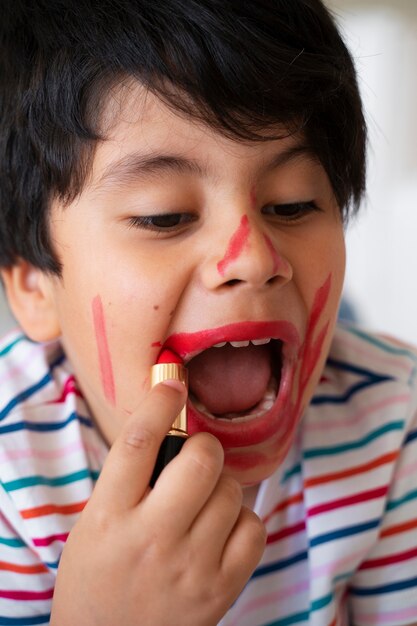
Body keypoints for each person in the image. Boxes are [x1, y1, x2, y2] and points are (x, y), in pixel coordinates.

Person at [0, 0, 416, 624]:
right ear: (35, 286)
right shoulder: (12, 477)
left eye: (294, 204)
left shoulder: (393, 417)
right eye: (164, 215)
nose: (251, 256)